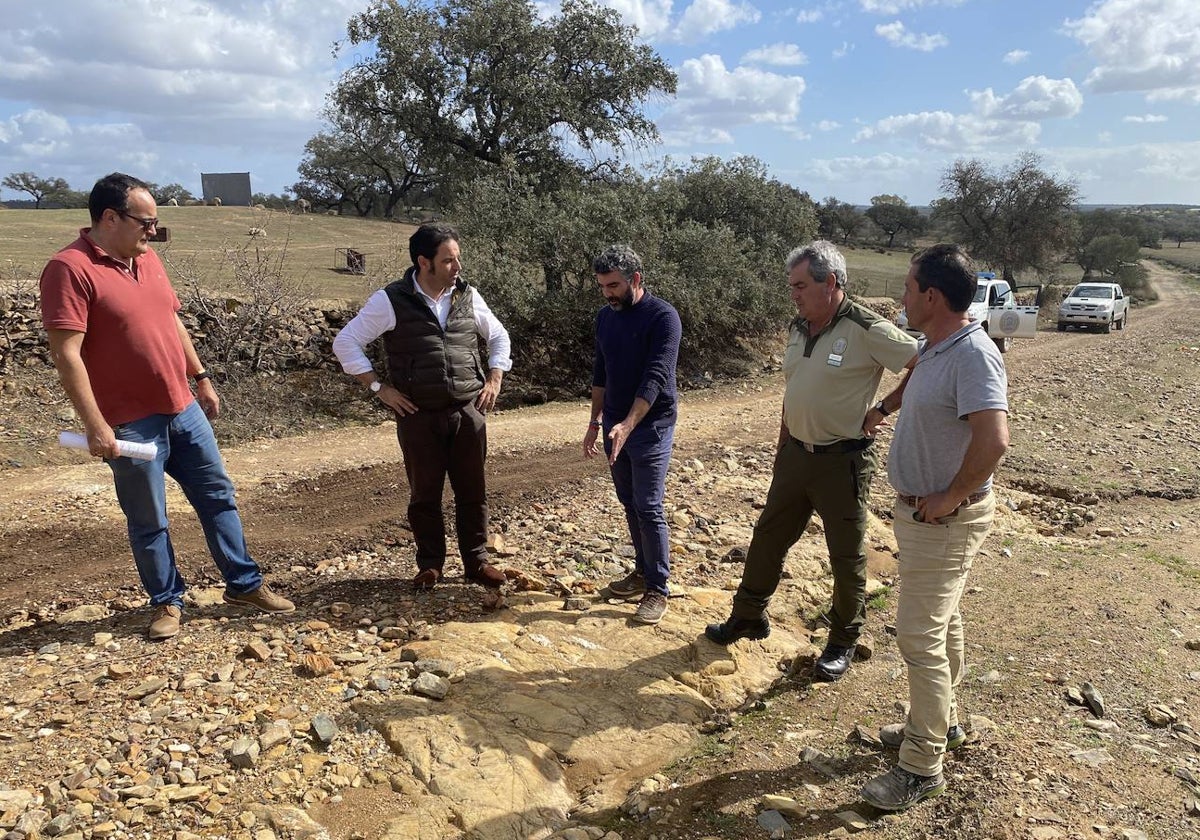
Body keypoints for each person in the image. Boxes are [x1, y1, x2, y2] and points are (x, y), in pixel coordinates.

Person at [39, 172, 295, 641]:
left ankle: (244, 585)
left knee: (218, 497)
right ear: (110, 218)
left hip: (183, 409)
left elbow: (172, 322)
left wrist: (201, 379)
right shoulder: (68, 269)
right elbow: (66, 354)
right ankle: (167, 602)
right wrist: (95, 426)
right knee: (148, 517)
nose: (153, 231)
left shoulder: (148, 258)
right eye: (146, 222)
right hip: (131, 425)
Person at [705, 240, 917, 682]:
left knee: (845, 555)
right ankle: (748, 616)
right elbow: (795, 388)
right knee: (767, 538)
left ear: (831, 283)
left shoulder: (866, 326)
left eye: (801, 285)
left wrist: (883, 409)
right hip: (796, 455)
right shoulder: (798, 327)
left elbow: (922, 364)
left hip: (843, 462)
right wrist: (783, 446)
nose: (794, 294)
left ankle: (842, 641)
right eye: (792, 286)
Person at [860, 244, 1009, 811]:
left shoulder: (974, 355)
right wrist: (886, 407)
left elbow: (993, 440)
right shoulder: (936, 344)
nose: (901, 295)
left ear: (932, 295)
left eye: (908, 285)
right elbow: (918, 379)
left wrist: (950, 496)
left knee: (918, 636)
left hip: (945, 519)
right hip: (925, 516)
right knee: (942, 626)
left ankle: (922, 765)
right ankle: (942, 727)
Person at [333, 223, 511, 590]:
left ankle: (476, 562)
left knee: (472, 491)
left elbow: (498, 335)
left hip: (467, 410)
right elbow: (346, 342)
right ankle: (430, 565)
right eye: (448, 261)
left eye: (458, 259)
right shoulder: (390, 300)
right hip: (418, 415)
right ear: (423, 262)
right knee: (424, 494)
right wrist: (379, 388)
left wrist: (494, 379)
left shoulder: (468, 296)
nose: (457, 267)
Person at [584, 245, 682, 626]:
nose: (607, 293)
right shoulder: (605, 318)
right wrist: (596, 423)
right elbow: (601, 373)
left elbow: (657, 375)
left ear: (635, 280)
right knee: (628, 500)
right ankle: (641, 572)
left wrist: (629, 422)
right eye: (602, 286)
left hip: (651, 425)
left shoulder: (664, 318)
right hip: (614, 425)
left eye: (613, 285)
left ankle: (658, 588)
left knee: (649, 504)